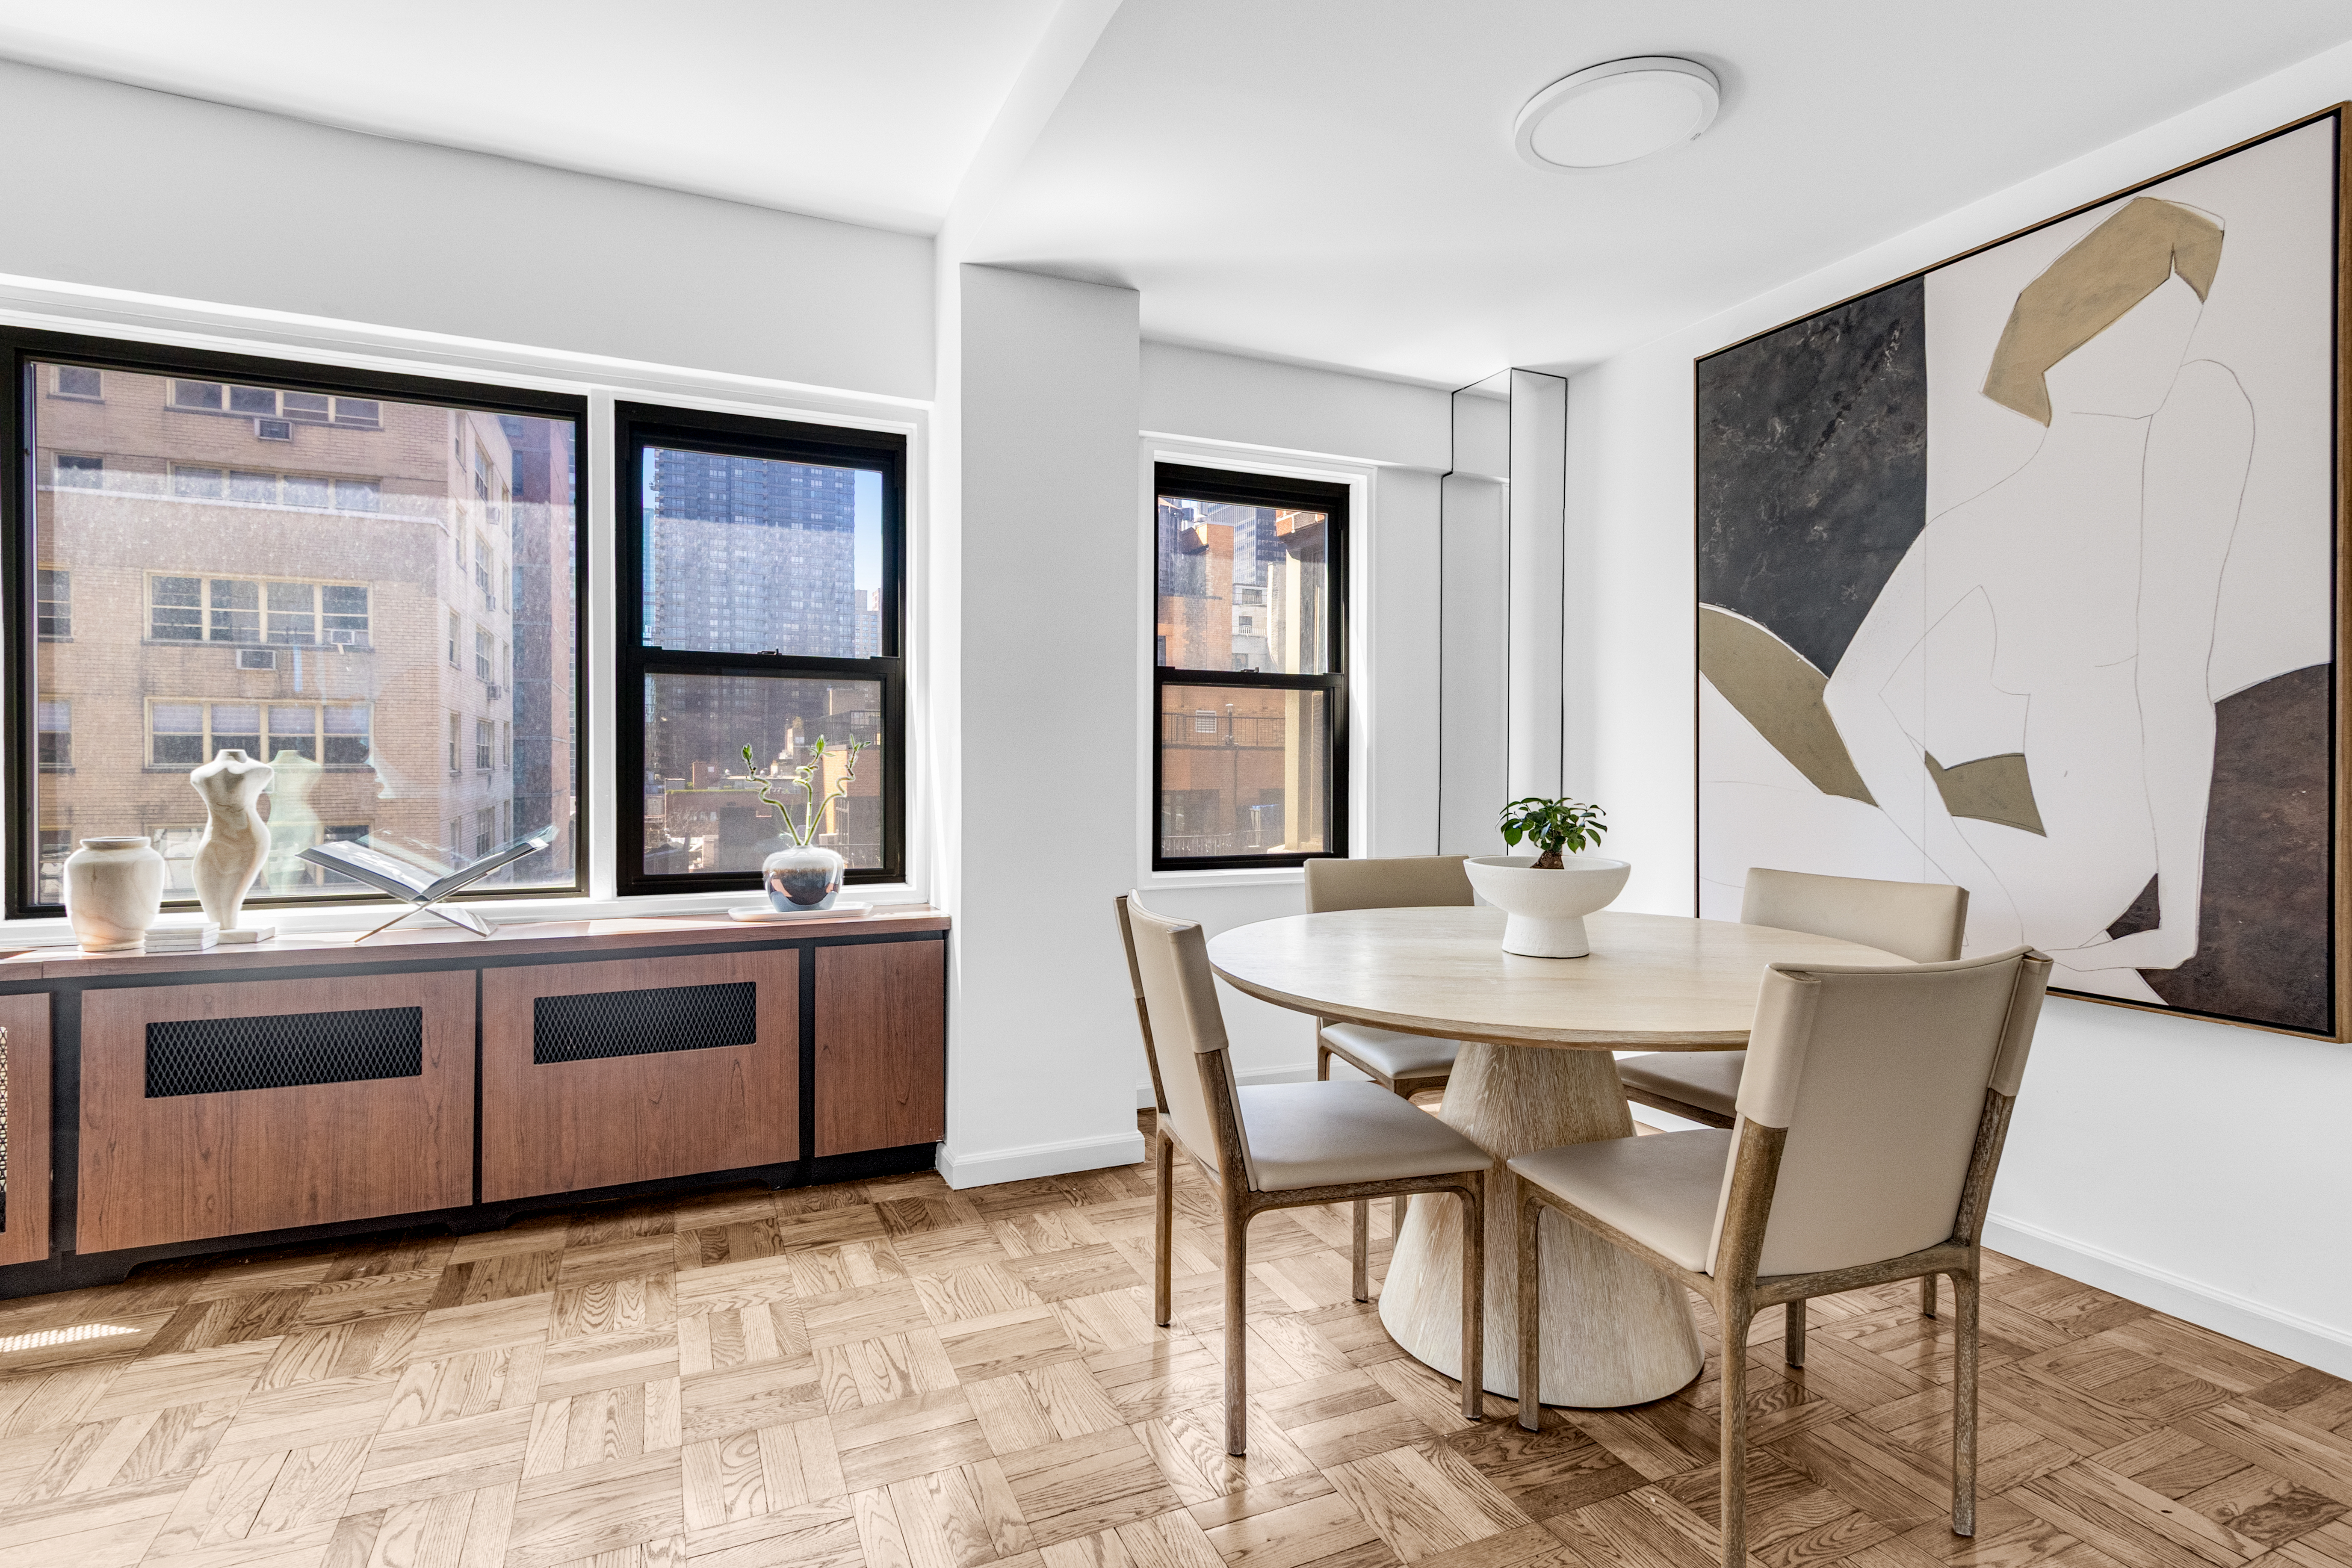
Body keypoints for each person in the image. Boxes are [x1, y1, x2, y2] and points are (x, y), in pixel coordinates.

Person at [1822, 198, 2251, 1003]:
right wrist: (1972, 873)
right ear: (2061, 339)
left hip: (2087, 854)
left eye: (2179, 328)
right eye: (2139, 324)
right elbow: (1851, 695)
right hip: (2036, 848)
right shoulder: (1977, 525)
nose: (2164, 354)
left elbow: (2174, 685)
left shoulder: (2192, 440)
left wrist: (2179, 923)